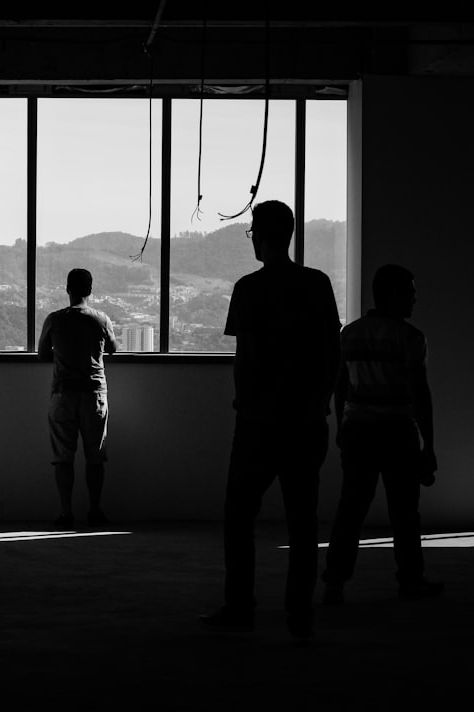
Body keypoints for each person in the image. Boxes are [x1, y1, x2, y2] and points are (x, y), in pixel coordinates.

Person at [199, 200, 341, 640]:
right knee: (302, 520)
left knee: (239, 514)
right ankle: (300, 614)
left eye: (252, 231)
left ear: (262, 234)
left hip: (259, 421)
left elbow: (245, 358)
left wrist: (244, 402)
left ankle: (240, 605)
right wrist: (321, 405)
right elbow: (331, 354)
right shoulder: (317, 284)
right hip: (305, 419)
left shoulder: (248, 289)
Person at [321, 264, 443, 603]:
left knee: (351, 508)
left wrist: (342, 425)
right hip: (397, 432)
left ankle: (335, 582)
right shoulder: (412, 338)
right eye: (410, 292)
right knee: (405, 512)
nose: (415, 299)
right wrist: (428, 444)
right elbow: (420, 394)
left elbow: (341, 385)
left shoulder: (351, 334)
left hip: (358, 429)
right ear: (393, 295)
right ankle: (410, 580)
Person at [37, 268, 118, 530]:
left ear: (67, 289)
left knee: (63, 456)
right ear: (90, 290)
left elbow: (42, 354)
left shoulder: (54, 319)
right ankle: (95, 510)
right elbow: (114, 349)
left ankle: (66, 512)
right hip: (94, 393)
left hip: (63, 393)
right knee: (95, 456)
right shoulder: (101, 320)